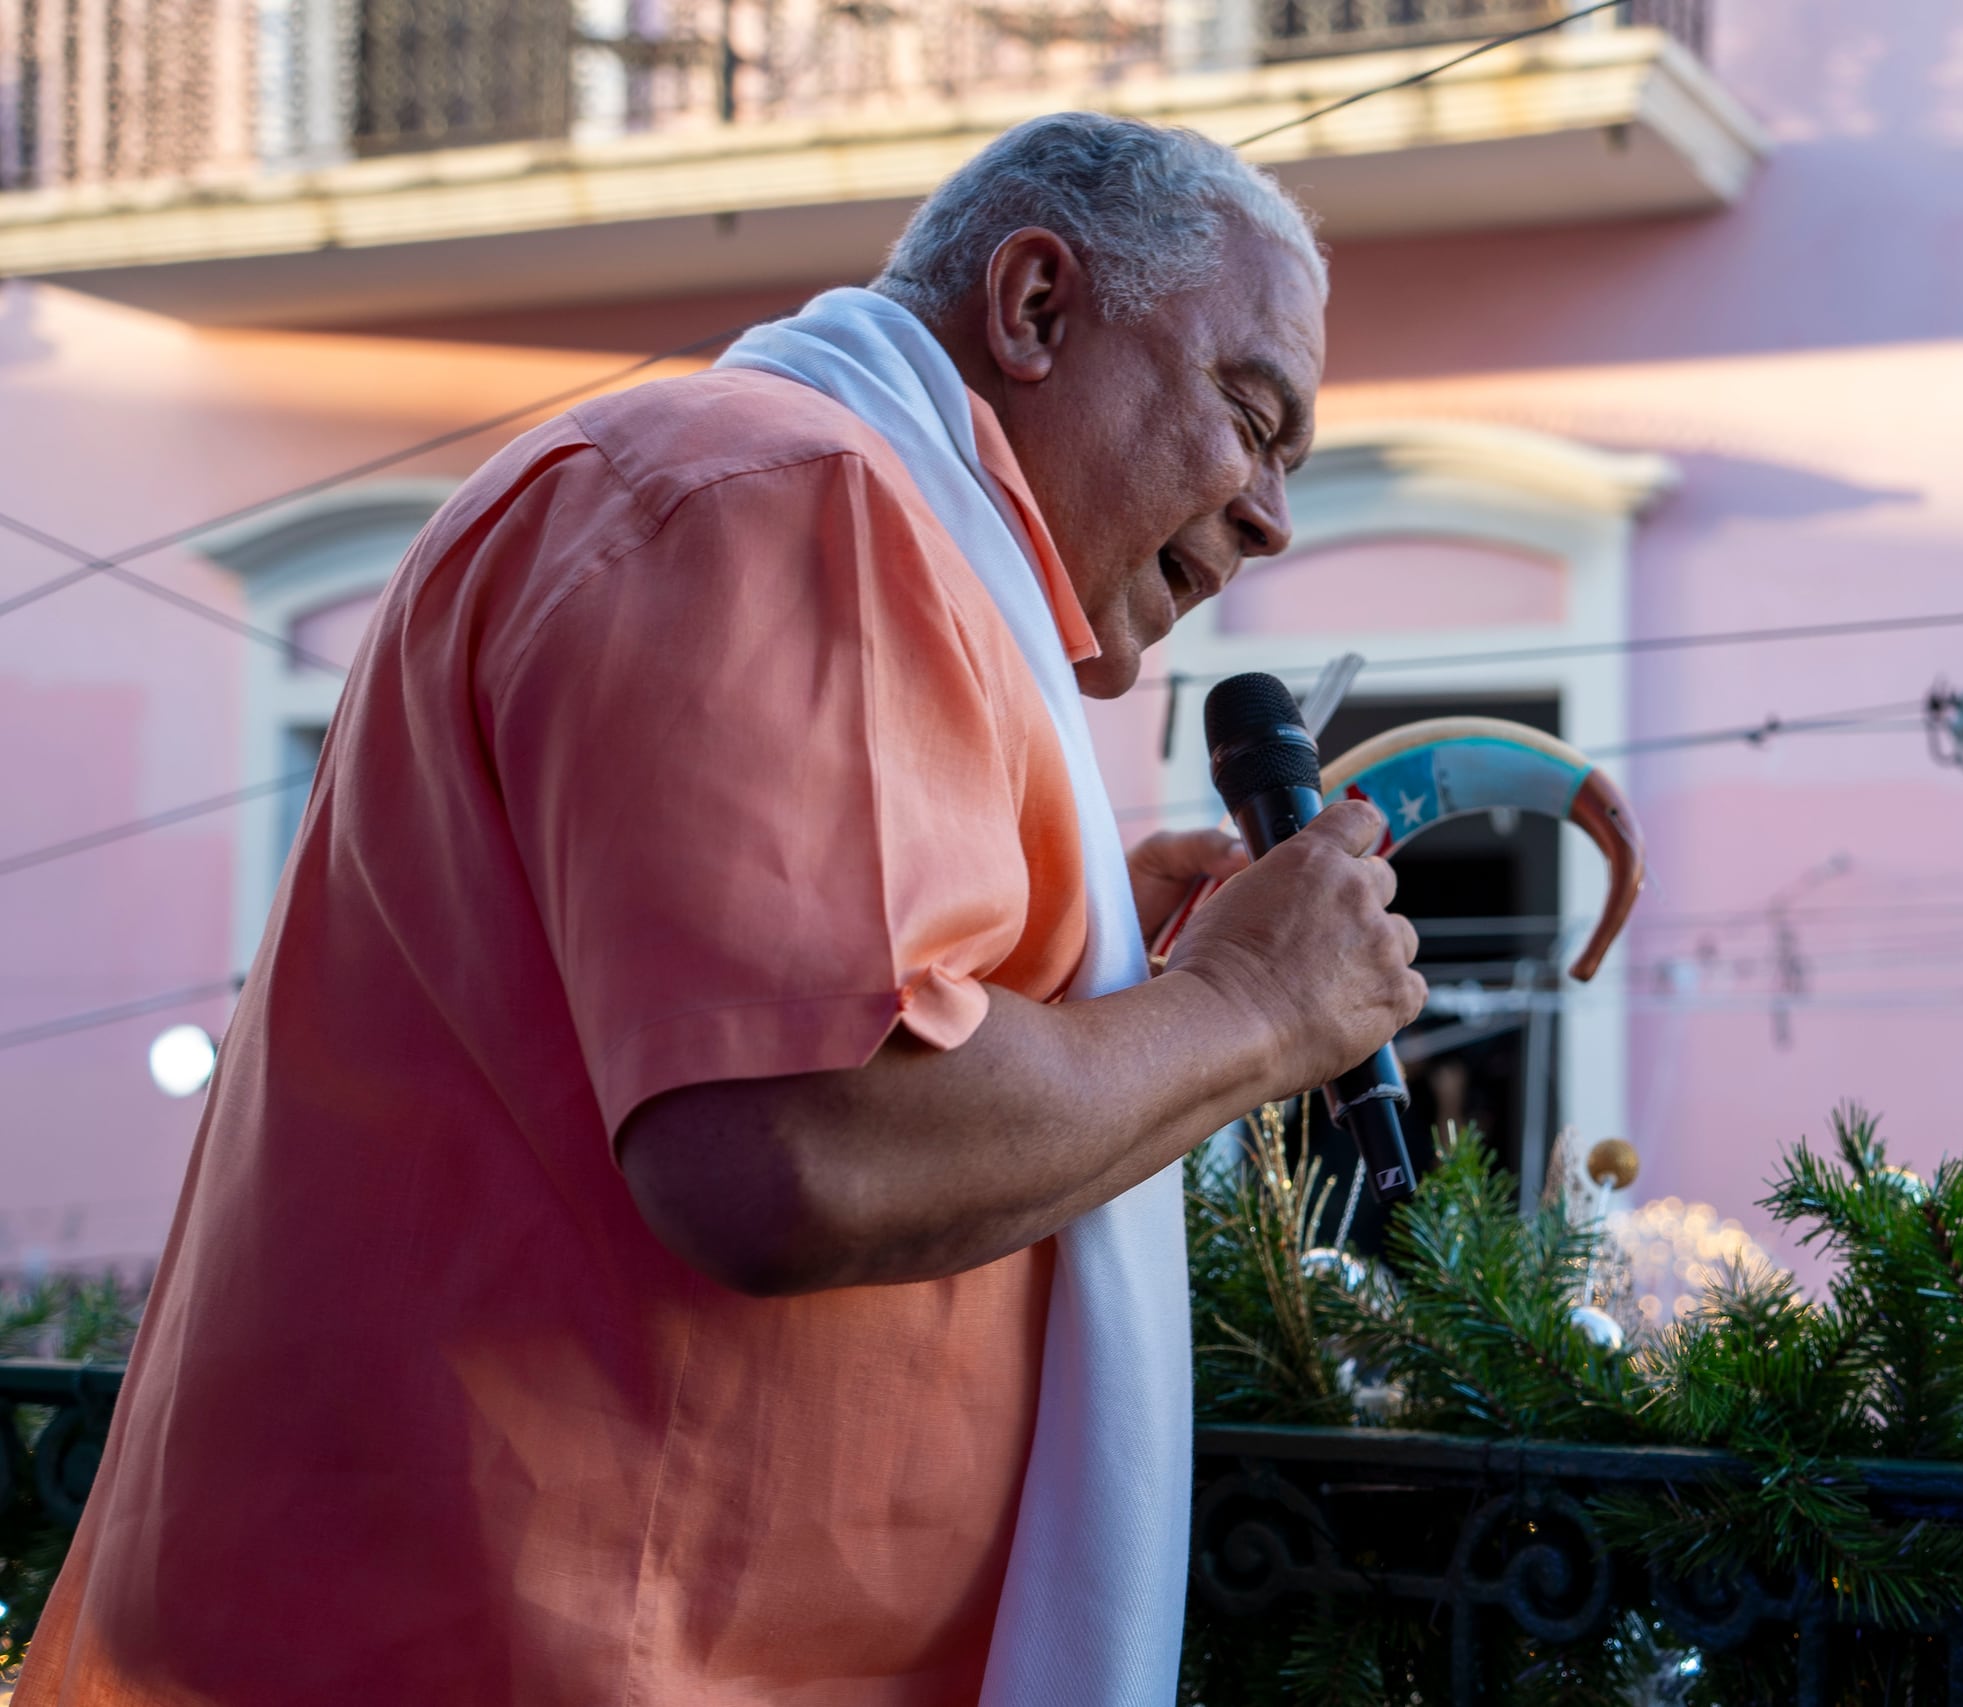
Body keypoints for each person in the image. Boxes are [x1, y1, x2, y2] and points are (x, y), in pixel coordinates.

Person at [20, 114, 1425, 1706]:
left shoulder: (774, 497)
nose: (1271, 516)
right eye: (1251, 418)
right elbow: (799, 1143)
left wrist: (1104, 968)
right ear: (1036, 308)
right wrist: (1245, 1012)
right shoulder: (784, 496)